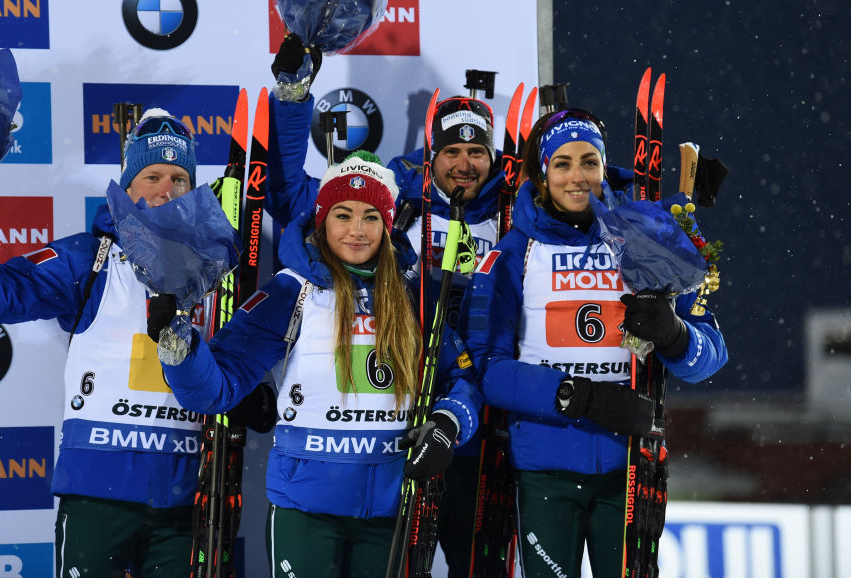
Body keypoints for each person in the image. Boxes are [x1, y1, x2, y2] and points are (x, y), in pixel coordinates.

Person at [148, 150, 482, 578]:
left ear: (388, 224)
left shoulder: (414, 295)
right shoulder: (292, 291)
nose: (357, 231)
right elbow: (218, 388)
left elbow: (463, 379)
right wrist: (180, 348)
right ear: (323, 219)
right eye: (343, 215)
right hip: (306, 508)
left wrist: (447, 425)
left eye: (371, 217)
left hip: (392, 508)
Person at [0, 109, 204, 578]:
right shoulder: (86, 260)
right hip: (98, 494)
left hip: (184, 500)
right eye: (151, 175)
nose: (165, 189)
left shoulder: (218, 271)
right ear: (127, 187)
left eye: (178, 177)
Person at [265, 33, 502, 576]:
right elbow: (290, 198)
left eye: (476, 152)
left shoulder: (515, 211)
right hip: (402, 430)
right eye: (451, 152)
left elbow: (587, 194)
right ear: (430, 154)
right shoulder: (393, 202)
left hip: (479, 425)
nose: (464, 164)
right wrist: (294, 102)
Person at [460, 109, 729, 577]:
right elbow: (487, 367)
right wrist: (576, 396)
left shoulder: (646, 236)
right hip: (546, 467)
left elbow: (710, 357)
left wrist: (674, 334)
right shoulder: (513, 252)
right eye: (562, 163)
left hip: (628, 470)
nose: (577, 176)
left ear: (605, 168)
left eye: (589, 161)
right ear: (543, 174)